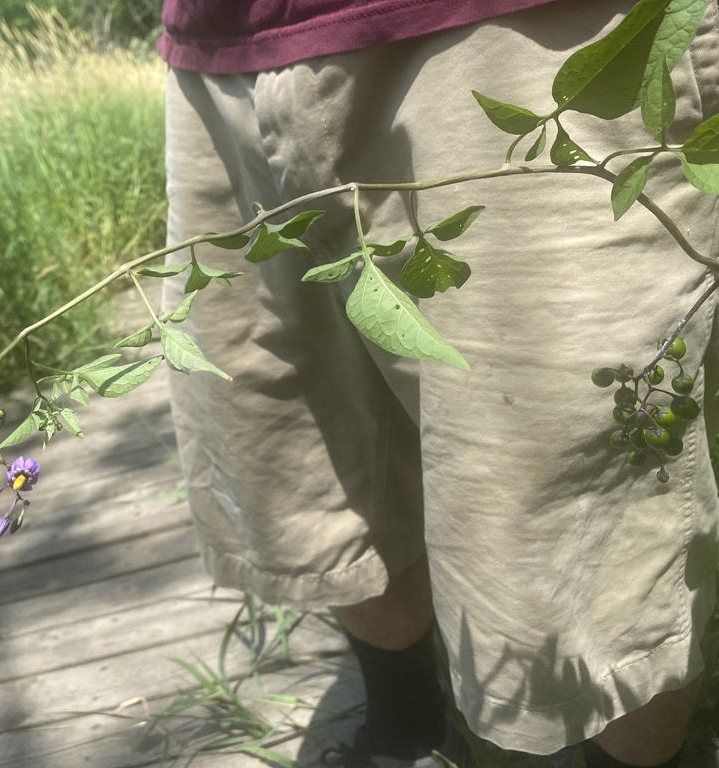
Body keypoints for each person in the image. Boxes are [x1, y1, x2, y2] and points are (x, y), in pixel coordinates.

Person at [156, 1, 719, 766]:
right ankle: (405, 734)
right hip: (218, 51)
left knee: (591, 540)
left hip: (526, 28)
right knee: (310, 465)